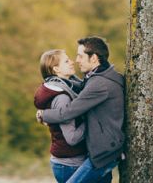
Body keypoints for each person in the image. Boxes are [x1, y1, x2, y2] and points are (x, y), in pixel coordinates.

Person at [36, 37, 125, 183]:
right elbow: (80, 85)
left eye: (80, 56)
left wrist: (43, 114)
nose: (76, 60)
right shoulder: (100, 76)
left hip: (104, 152)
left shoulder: (99, 84)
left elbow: (68, 112)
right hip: (103, 148)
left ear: (94, 58)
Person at [34, 49, 89, 183]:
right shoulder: (62, 97)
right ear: (56, 69)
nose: (72, 62)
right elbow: (72, 138)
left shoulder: (65, 87)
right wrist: (92, 119)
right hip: (70, 164)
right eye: (66, 61)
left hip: (67, 161)